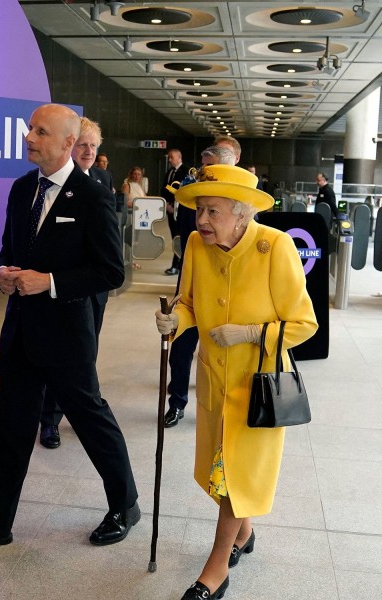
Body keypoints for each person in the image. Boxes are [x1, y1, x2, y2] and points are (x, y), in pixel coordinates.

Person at [0, 104, 139, 552]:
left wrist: (48, 282)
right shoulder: (20, 189)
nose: (29, 137)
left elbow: (111, 272)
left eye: (41, 132)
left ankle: (125, 504)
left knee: (90, 421)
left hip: (68, 336)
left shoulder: (91, 196)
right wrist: (1, 274)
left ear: (68, 143)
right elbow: (8, 248)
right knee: (12, 426)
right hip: (20, 333)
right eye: (30, 129)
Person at [155, 164, 317, 599]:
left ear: (242, 214)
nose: (201, 221)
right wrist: (176, 318)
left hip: (257, 388)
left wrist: (250, 333)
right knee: (223, 475)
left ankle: (216, 566)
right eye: (199, 210)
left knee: (231, 476)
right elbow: (188, 301)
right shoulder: (194, 243)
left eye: (212, 212)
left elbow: (304, 323)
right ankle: (244, 533)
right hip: (214, 381)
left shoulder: (275, 246)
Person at [39, 117, 112, 449]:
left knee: (86, 357)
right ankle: (50, 420)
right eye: (83, 145)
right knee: (58, 358)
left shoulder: (101, 180)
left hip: (94, 292)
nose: (89, 152)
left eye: (94, 146)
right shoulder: (53, 185)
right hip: (59, 291)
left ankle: (81, 415)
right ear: (69, 146)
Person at [164, 144, 236, 428]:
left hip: (232, 291)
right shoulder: (193, 196)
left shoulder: (242, 205)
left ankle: (228, 408)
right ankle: (177, 402)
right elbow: (186, 234)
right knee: (181, 346)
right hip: (194, 282)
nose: (201, 176)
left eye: (209, 170)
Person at [161, 149, 190, 275]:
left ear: (179, 157)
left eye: (172, 157)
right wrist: (166, 204)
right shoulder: (169, 172)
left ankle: (177, 265)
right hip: (169, 209)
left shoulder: (186, 171)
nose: (169, 159)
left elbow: (185, 190)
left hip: (179, 210)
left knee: (179, 237)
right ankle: (176, 264)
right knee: (174, 237)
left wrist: (175, 206)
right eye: (169, 157)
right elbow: (164, 188)